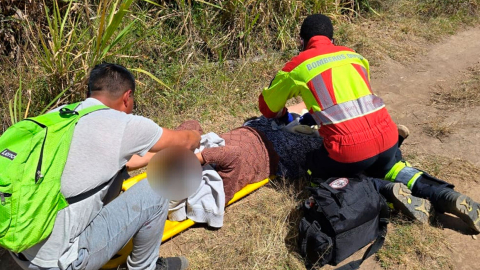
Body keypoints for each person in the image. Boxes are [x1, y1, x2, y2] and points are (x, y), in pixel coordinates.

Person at [258, 14, 480, 232]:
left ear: (301, 41)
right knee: (394, 168)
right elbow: (350, 101)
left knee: (317, 174)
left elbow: (267, 108)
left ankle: (384, 190)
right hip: (387, 137)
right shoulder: (354, 56)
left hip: (348, 149)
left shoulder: (297, 65)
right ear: (333, 39)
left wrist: (286, 115)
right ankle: (444, 194)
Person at [10, 63, 200, 270]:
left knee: (115, 176)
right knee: (156, 190)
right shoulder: (124, 124)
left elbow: (125, 161)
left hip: (20, 247)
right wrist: (196, 133)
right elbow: (187, 141)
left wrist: (158, 154)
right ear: (127, 97)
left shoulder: (62, 115)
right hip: (60, 261)